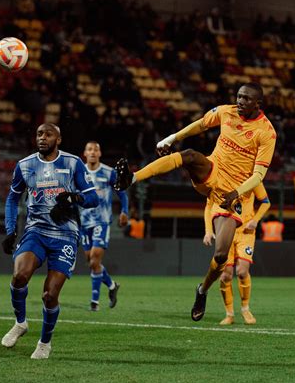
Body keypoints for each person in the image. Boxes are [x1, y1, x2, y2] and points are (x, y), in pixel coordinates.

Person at [114, 82, 276, 322]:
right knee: (189, 155)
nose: (240, 101)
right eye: (239, 96)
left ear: (257, 103)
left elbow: (259, 175)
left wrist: (236, 192)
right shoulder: (226, 111)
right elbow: (201, 124)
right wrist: (172, 138)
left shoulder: (266, 132)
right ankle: (133, 177)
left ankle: (202, 291)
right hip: (213, 170)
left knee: (221, 256)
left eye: (246, 99)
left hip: (232, 194)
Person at [1, 123, 99, 359]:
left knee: (50, 295)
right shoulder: (24, 166)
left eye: (48, 134)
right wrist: (10, 230)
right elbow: (12, 199)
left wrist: (74, 198)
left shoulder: (72, 163)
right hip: (36, 230)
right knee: (19, 275)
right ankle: (20, 323)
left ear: (59, 139)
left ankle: (45, 342)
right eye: (39, 134)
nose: (42, 138)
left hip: (65, 235)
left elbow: (93, 197)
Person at [203, 184, 271, 325]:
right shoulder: (220, 178)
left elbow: (265, 202)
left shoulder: (252, 178)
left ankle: (245, 309)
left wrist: (255, 220)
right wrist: (208, 230)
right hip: (227, 231)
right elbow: (209, 206)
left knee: (242, 271)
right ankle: (229, 314)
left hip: (245, 232)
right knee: (225, 274)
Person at [80, 141, 128, 311]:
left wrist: (124, 210)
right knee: (90, 261)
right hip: (83, 222)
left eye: (96, 149)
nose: (93, 152)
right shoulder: (79, 171)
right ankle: (112, 285)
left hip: (102, 220)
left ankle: (95, 301)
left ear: (100, 153)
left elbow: (121, 192)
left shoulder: (109, 172)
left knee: (94, 259)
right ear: (84, 153)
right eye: (89, 149)